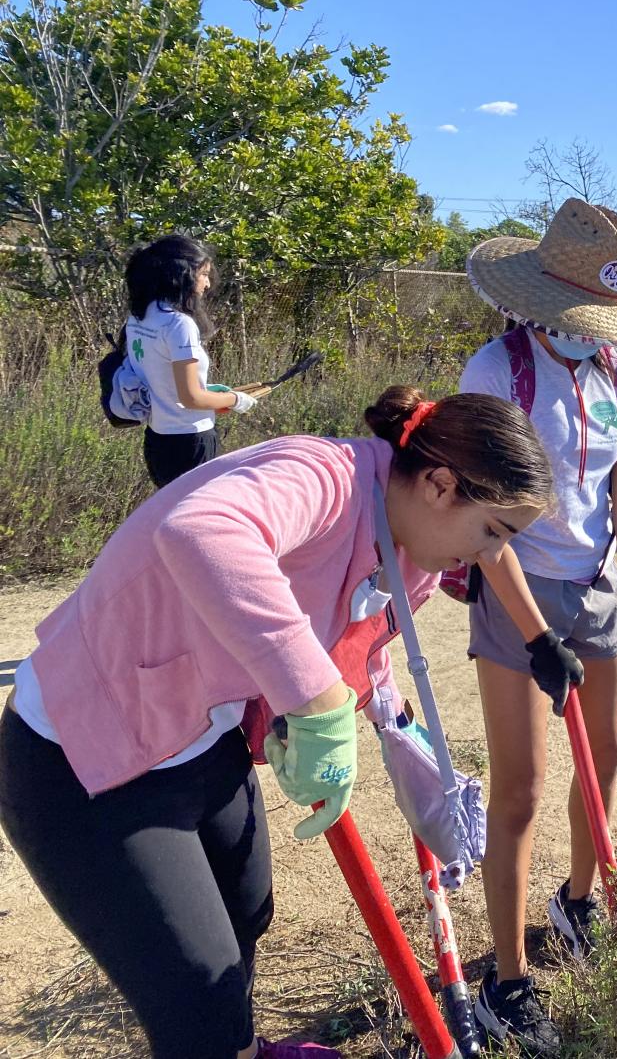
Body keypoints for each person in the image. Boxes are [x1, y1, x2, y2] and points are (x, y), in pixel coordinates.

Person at [0, 388, 552, 1059]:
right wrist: (312, 696)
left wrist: (397, 733)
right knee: (196, 990)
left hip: (199, 734)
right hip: (84, 750)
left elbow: (359, 642)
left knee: (245, 912)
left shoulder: (410, 547)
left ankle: (240, 1049)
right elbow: (202, 531)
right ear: (440, 484)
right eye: (492, 531)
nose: (488, 556)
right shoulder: (323, 476)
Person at [459, 198, 617, 1057]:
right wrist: (535, 637)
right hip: (515, 589)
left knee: (607, 757)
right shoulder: (494, 372)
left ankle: (578, 903)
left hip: (598, 589)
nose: (593, 333)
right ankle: (505, 981)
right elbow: (480, 521)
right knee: (523, 789)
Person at [123, 235, 258, 488]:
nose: (207, 283)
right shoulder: (178, 324)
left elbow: (160, 377)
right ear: (183, 274)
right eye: (204, 274)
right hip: (191, 441)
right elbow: (191, 399)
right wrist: (236, 400)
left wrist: (211, 394)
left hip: (157, 440)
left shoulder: (140, 317)